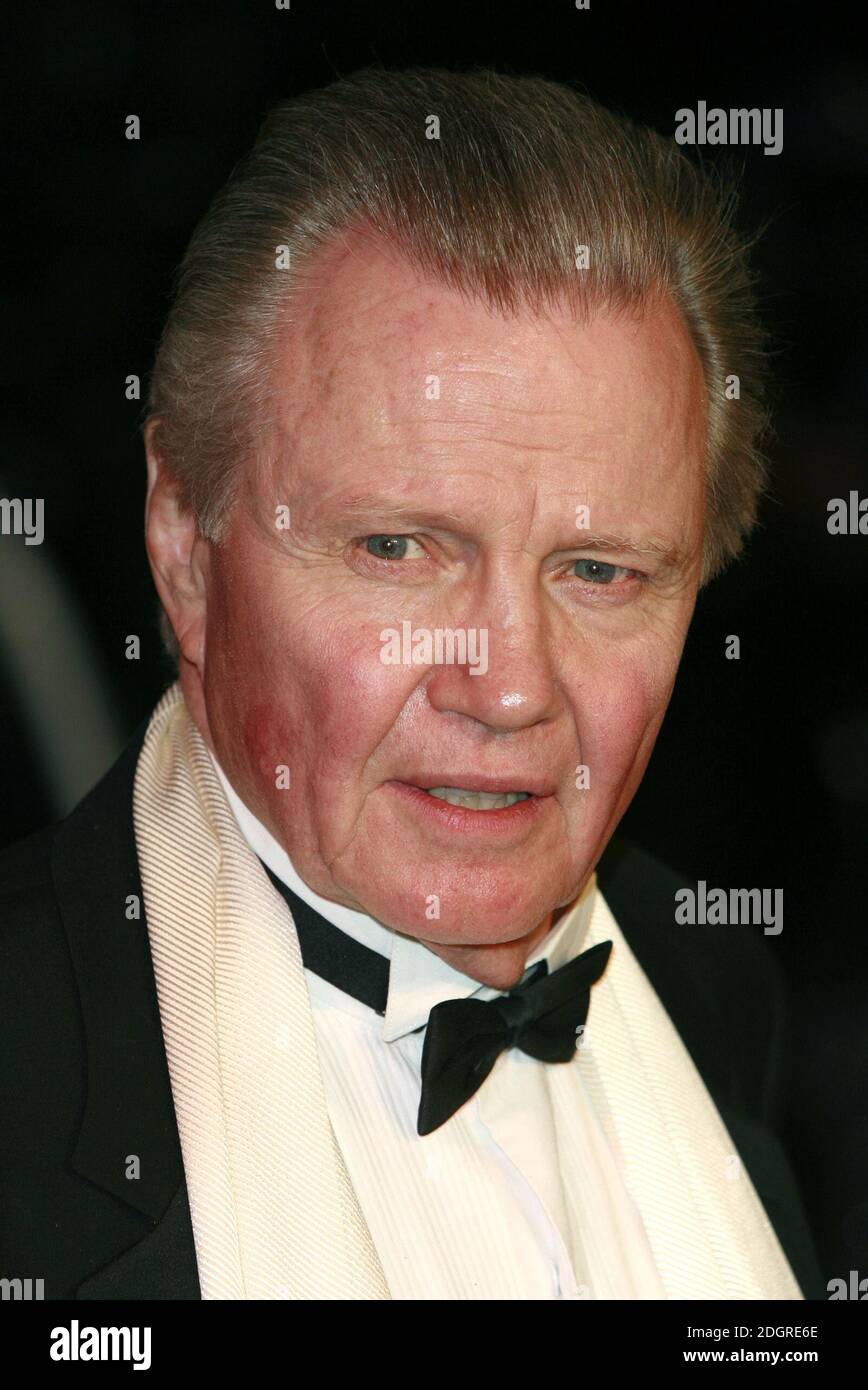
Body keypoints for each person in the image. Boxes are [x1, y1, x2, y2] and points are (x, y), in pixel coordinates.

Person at [0, 66, 824, 1300]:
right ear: (183, 542)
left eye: (599, 571)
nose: (505, 688)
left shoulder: (710, 988)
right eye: (397, 549)